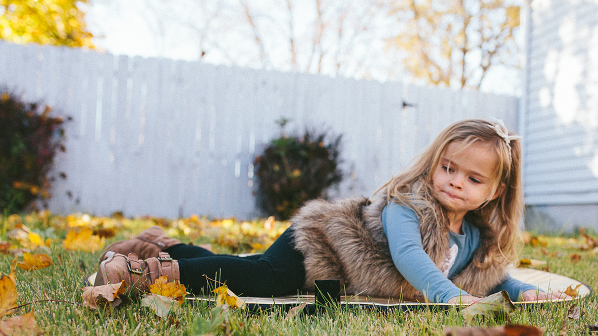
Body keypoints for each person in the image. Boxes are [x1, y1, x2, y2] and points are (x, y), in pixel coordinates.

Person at [94, 118, 566, 303]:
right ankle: (146, 271)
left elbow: (490, 274)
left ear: (495, 191)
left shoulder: (478, 238)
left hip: (341, 280)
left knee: (246, 267)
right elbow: (409, 257)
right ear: (435, 163)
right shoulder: (409, 206)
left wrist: (520, 289)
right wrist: (447, 296)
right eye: (448, 168)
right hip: (324, 244)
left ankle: (170, 244)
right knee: (264, 277)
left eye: (473, 179)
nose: (455, 183)